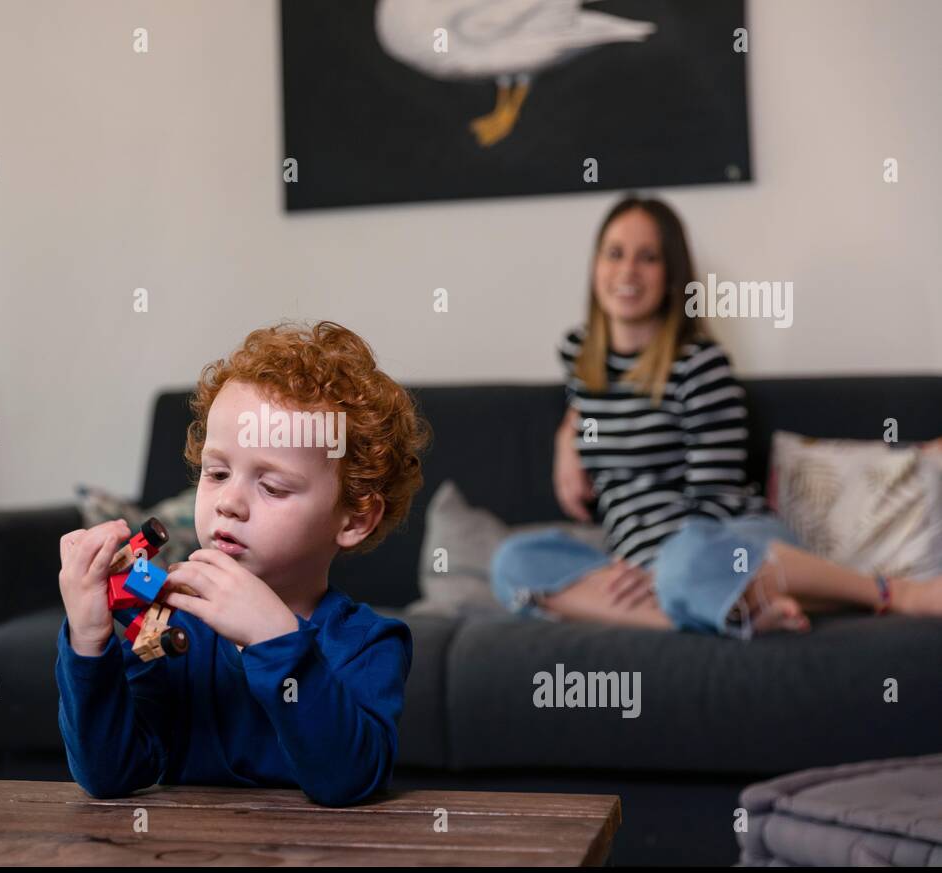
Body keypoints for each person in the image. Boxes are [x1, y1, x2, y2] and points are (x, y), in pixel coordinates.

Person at [490, 195, 942, 638]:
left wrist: (662, 570)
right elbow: (588, 403)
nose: (627, 271)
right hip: (629, 562)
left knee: (684, 565)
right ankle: (696, 613)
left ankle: (891, 593)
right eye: (615, 254)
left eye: (647, 257)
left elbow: (714, 498)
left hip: (718, 542)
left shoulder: (699, 365)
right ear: (596, 267)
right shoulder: (577, 356)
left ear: (671, 275)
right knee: (513, 561)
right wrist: (565, 439)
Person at [55, 321, 432, 806]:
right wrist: (88, 642)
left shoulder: (369, 644)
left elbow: (347, 780)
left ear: (355, 518)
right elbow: (109, 775)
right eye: (216, 473)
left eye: (272, 486)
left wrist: (275, 639)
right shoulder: (164, 622)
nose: (228, 502)